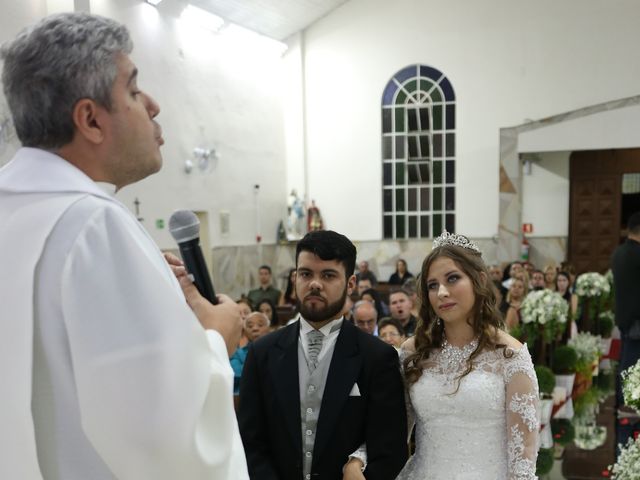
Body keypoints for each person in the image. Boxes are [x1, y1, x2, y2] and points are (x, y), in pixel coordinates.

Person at [0, 13, 248, 479]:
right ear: (91, 119)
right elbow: (164, 438)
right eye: (133, 90)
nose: (152, 104)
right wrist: (217, 336)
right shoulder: (94, 223)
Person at [238, 230, 407, 480]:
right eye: (306, 274)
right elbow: (250, 440)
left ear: (350, 284)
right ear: (295, 278)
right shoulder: (262, 352)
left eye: (328, 275)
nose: (315, 283)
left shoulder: (377, 357)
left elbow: (389, 447)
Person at [398, 231, 539, 479]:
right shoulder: (412, 353)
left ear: (479, 280)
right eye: (433, 285)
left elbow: (524, 451)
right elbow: (394, 429)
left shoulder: (510, 356)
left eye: (452, 278)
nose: (441, 292)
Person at [611, 211, 640, 423]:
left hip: (624, 315)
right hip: (636, 317)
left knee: (626, 359)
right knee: (630, 361)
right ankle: (627, 403)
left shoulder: (618, 253)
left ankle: (624, 400)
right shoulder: (637, 253)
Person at [230, 312, 271, 395]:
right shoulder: (237, 354)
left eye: (260, 325)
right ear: (245, 331)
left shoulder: (279, 352)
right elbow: (236, 374)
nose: (255, 328)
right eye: (250, 326)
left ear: (268, 329)